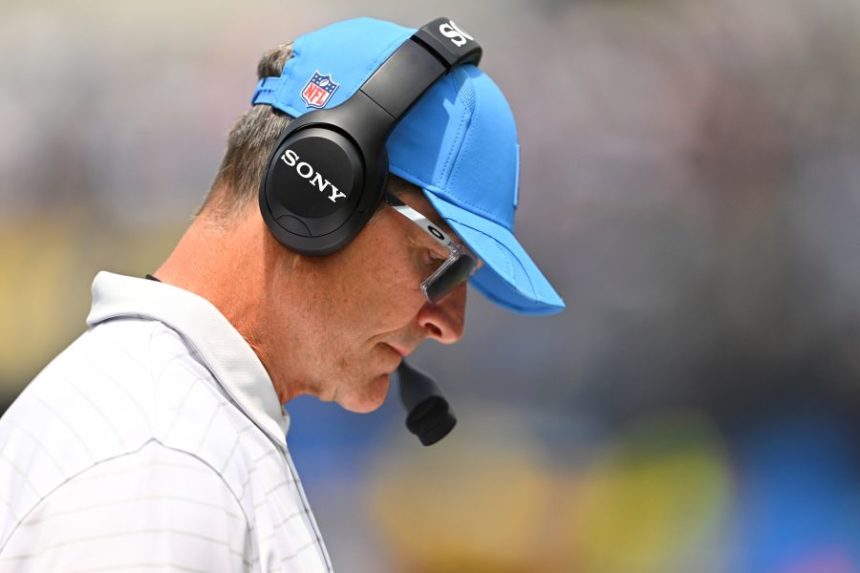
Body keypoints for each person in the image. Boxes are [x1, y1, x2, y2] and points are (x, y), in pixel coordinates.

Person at [0, 16, 564, 572]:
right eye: (439, 261)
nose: (449, 324)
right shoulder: (163, 463)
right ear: (321, 188)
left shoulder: (183, 437)